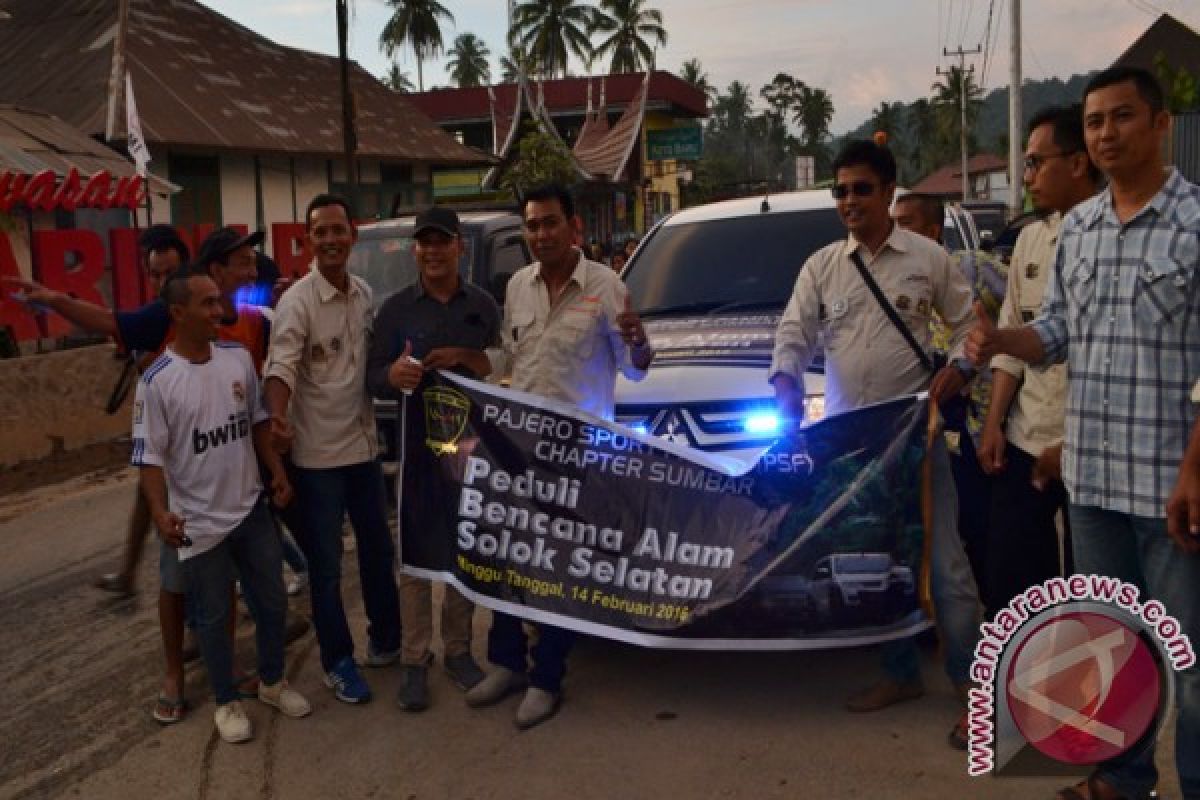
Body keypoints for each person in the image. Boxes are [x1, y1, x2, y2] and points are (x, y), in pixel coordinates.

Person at [967, 67, 1199, 800]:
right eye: (1095, 121)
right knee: (1113, 647)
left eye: (1121, 117)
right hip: (1094, 484)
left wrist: (1196, 471)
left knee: (1188, 662)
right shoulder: (1081, 230)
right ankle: (1124, 780)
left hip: (1171, 485)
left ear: (1160, 124)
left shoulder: (1195, 224)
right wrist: (1004, 336)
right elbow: (1062, 331)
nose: (1105, 133)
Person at [769, 140, 982, 749]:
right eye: (840, 190)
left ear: (890, 193)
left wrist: (961, 371)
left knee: (948, 569)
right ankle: (900, 675)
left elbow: (971, 328)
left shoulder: (928, 259)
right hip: (852, 452)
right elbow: (793, 330)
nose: (849, 201)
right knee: (874, 564)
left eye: (862, 188)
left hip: (916, 442)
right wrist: (784, 378)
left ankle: (973, 691)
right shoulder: (822, 267)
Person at [462, 184, 654, 729]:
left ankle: (547, 677)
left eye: (549, 223)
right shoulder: (518, 287)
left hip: (578, 451)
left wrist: (639, 343)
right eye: (532, 225)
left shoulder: (606, 287)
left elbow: (636, 368)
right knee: (507, 552)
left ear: (574, 227)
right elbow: (511, 357)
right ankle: (505, 663)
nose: (540, 234)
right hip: (520, 447)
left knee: (561, 566)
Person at [133, 268, 311, 744]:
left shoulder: (236, 359)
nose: (220, 310)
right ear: (178, 313)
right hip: (199, 522)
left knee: (271, 601)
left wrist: (275, 470)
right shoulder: (157, 381)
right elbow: (149, 459)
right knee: (213, 617)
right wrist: (158, 511)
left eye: (219, 300)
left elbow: (256, 423)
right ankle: (227, 702)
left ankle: (272, 682)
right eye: (208, 303)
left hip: (250, 508)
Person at [264, 194, 402, 705]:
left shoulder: (364, 293)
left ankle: (386, 641)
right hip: (318, 462)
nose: (330, 240)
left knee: (377, 552)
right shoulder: (296, 303)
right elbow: (280, 366)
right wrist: (277, 417)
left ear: (353, 234)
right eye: (320, 232)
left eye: (338, 230)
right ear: (308, 241)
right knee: (326, 567)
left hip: (364, 452)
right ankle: (338, 662)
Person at [3, 224, 188, 598]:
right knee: (149, 493)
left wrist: (53, 298)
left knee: (206, 533)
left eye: (171, 272)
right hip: (166, 431)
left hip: (193, 436)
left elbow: (105, 320)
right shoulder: (162, 312)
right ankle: (129, 575)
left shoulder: (171, 312)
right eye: (156, 273)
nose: (163, 281)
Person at [366, 206, 501, 711]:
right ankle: (414, 658)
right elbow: (372, 374)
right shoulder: (396, 310)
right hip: (417, 451)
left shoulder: (484, 305)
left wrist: (465, 357)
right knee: (416, 557)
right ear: (415, 250)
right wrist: (392, 375)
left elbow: (504, 365)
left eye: (442, 241)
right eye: (424, 242)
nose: (432, 251)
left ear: (459, 246)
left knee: (464, 547)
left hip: (471, 449)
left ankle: (459, 651)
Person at [976, 105, 1102, 616]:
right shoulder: (1030, 238)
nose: (1025, 177)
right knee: (1011, 576)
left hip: (1093, 445)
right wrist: (993, 423)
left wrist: (1072, 445)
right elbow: (1014, 340)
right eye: (1023, 165)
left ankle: (1100, 690)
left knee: (1095, 585)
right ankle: (1020, 687)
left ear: (1076, 163)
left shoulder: (1109, 238)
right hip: (1028, 437)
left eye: (1034, 163)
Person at [893, 191, 1006, 591]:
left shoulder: (971, 266)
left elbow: (1030, 313)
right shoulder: (891, 277)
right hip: (936, 424)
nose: (897, 230)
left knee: (982, 526)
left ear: (933, 230)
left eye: (906, 223)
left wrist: (997, 339)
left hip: (982, 419)